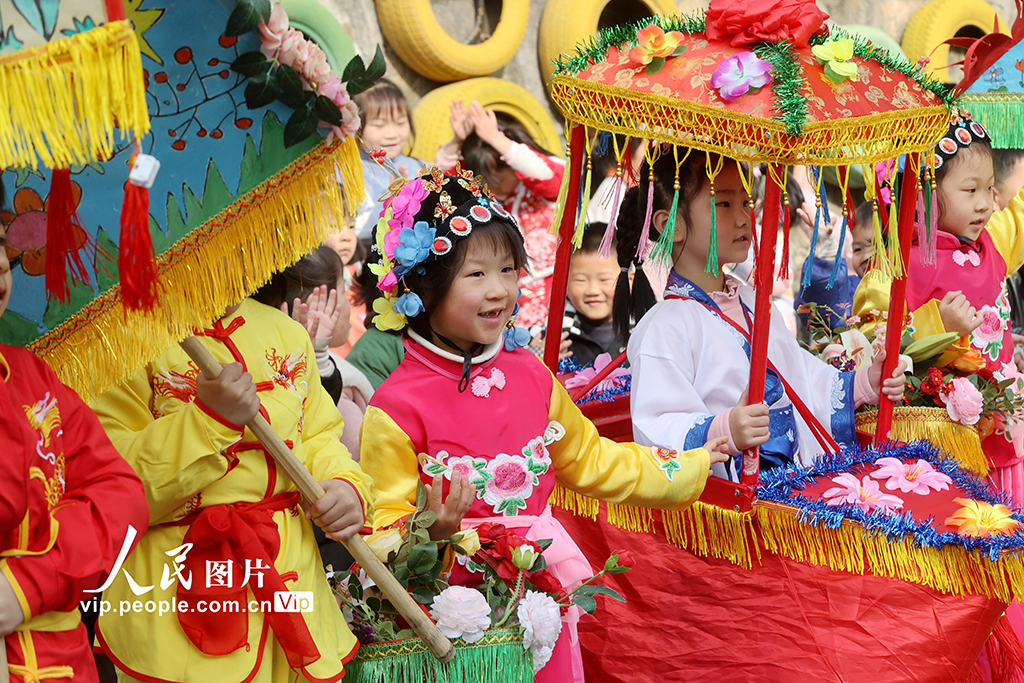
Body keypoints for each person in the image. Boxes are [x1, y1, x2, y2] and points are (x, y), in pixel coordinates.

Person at [358, 167, 729, 683]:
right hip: (444, 615)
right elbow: (378, 526)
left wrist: (696, 460)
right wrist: (430, 531)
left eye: (508, 269)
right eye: (476, 274)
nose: (499, 290)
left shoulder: (532, 377)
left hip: (538, 598)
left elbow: (595, 460)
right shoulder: (394, 406)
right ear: (423, 283)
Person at [91, 280, 374, 681]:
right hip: (176, 593)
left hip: (293, 582)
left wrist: (344, 485)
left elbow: (317, 435)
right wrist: (207, 422)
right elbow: (113, 487)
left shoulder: (285, 331)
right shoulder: (117, 345)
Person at [620, 148, 907, 482]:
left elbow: (800, 376)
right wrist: (725, 427)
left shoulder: (752, 301)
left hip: (794, 483)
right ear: (671, 224)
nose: (744, 218)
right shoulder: (664, 326)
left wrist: (862, 383)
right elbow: (655, 426)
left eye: (745, 202)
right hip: (734, 509)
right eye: (723, 203)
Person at [0, 184, 149, 682]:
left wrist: (27, 585)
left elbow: (122, 496)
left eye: (1, 242)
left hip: (64, 664)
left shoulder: (31, 376)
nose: (2, 263)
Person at [854, 114, 1024, 502]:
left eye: (989, 189)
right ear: (925, 192)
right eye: (970, 190)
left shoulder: (992, 241)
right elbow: (865, 342)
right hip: (938, 446)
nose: (985, 203)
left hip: (1005, 432)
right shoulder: (899, 265)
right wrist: (937, 322)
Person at [437, 100, 565, 330]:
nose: (493, 185)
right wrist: (458, 142)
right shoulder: (481, 195)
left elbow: (550, 175)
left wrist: (494, 138)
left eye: (499, 177)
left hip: (555, 289)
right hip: (502, 295)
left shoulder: (540, 182)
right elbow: (436, 185)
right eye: (486, 178)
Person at [352, 79, 427, 241]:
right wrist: (391, 203)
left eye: (400, 122)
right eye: (379, 125)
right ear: (354, 126)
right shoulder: (347, 171)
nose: (392, 133)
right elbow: (355, 231)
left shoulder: (417, 166)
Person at [562, 223, 624, 368]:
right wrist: (538, 359)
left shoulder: (645, 333)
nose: (592, 291)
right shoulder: (552, 339)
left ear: (630, 280)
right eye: (580, 280)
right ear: (564, 282)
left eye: (604, 280)